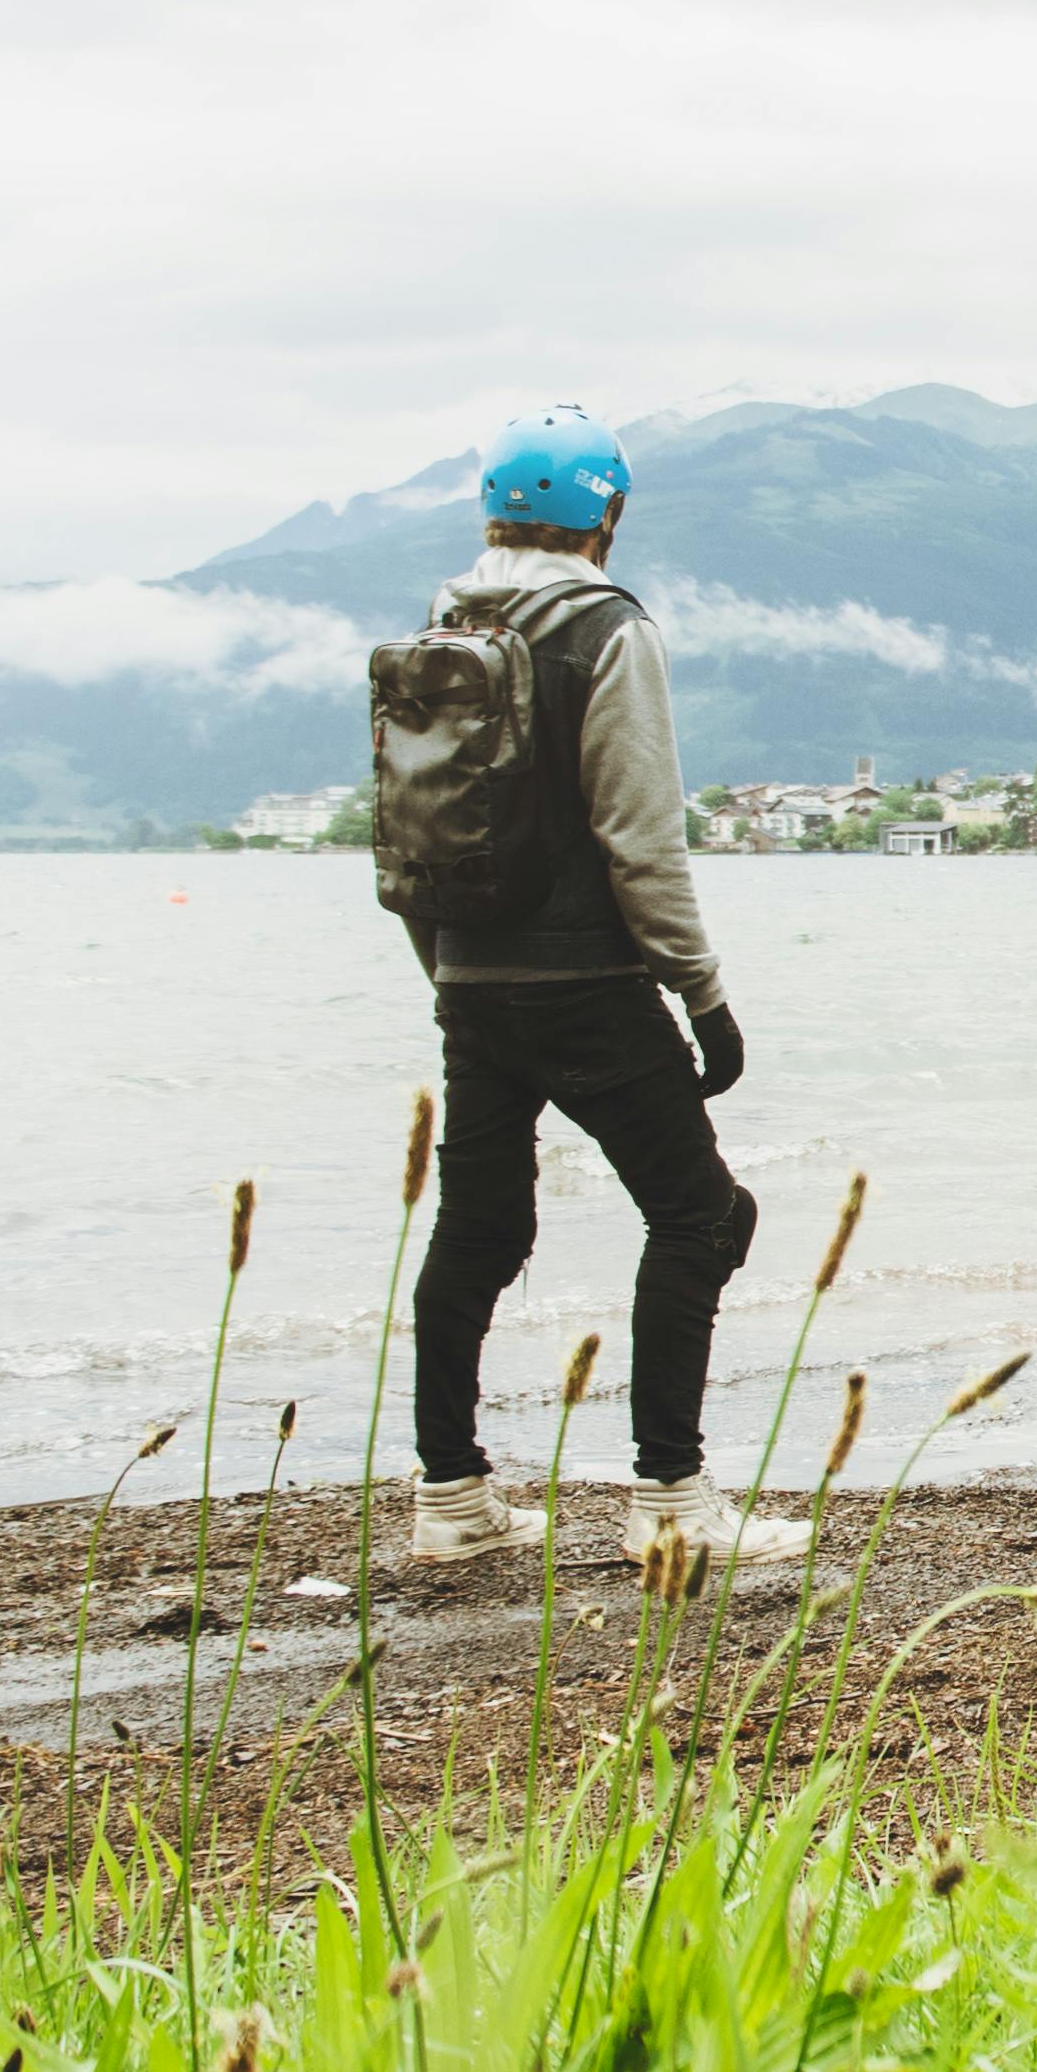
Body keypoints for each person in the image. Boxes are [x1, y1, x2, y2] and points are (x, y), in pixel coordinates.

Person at [396, 407, 801, 1567]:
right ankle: (671, 1502)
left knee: (478, 1228)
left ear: (492, 512)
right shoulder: (604, 630)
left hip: (468, 976)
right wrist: (703, 995)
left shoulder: (440, 629)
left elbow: (411, 828)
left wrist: (448, 975)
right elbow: (642, 838)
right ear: (606, 516)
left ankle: (453, 1500)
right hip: (586, 983)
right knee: (705, 1217)